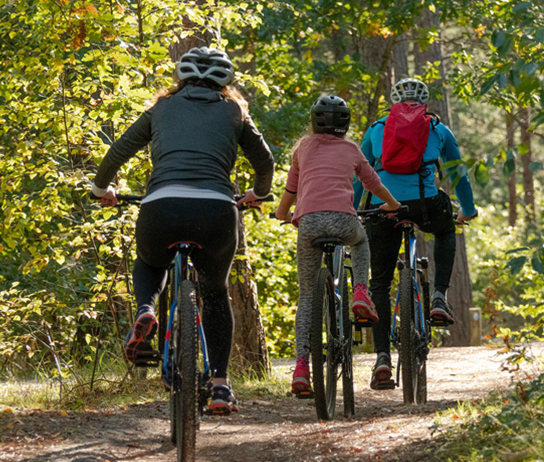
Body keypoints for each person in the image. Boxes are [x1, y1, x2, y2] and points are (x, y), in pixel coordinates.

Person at [91, 47, 274, 415]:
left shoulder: (161, 108)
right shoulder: (234, 110)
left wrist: (101, 190)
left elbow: (118, 151)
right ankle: (220, 384)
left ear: (181, 77)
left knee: (149, 261)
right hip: (216, 209)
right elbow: (264, 161)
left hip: (162, 205)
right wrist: (259, 193)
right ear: (227, 81)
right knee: (216, 293)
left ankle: (146, 309)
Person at [353, 77, 478, 389]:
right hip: (425, 205)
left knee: (379, 282)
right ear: (424, 102)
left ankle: (382, 358)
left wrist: (354, 209)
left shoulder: (377, 128)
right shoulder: (438, 129)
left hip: (384, 207)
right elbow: (457, 173)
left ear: (395, 101)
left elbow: (359, 175)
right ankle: (438, 296)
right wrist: (468, 208)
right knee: (446, 230)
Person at [275, 95, 400, 396]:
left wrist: (283, 215)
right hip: (345, 222)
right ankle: (360, 292)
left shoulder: (303, 149)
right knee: (361, 241)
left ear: (313, 122)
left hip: (309, 225)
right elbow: (372, 183)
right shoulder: (352, 150)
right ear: (345, 125)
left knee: (307, 297)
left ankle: (302, 368)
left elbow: (292, 188)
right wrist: (393, 205)